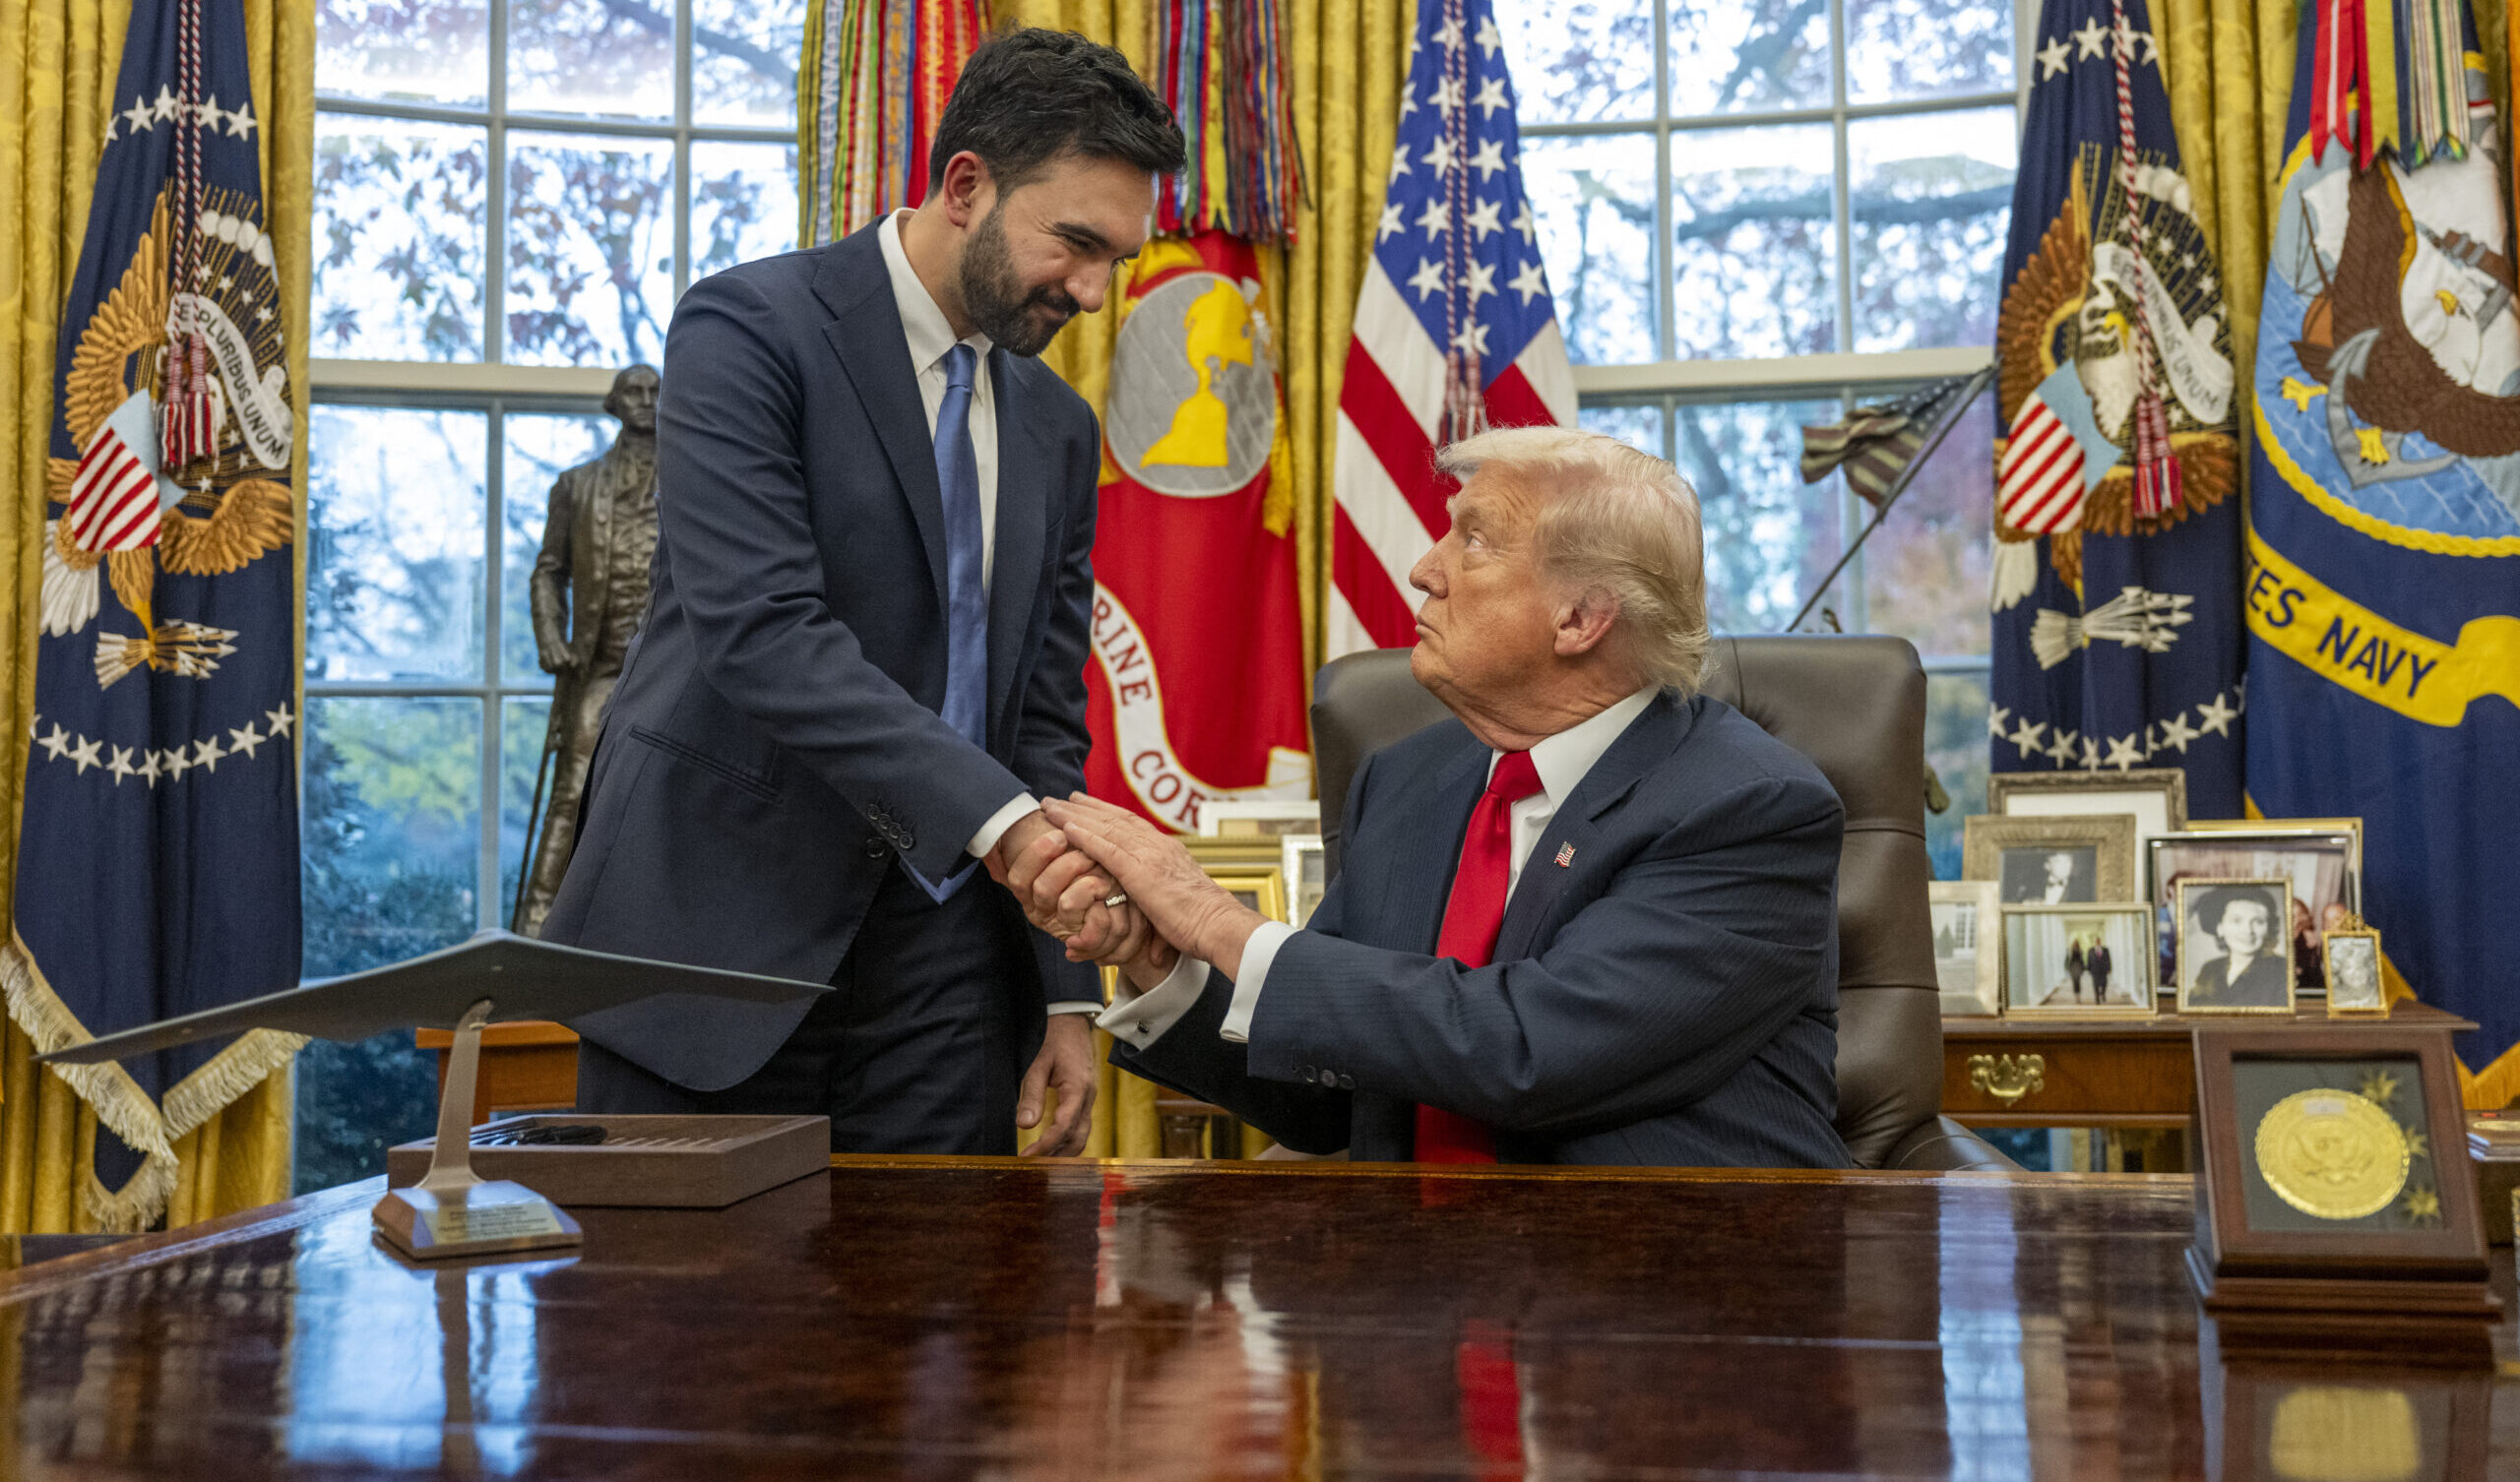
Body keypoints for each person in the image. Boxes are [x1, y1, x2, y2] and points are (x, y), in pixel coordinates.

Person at [540, 31, 1185, 1155]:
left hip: (949, 977)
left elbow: (1040, 710)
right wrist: (1008, 831)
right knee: (675, 1324)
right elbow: (763, 634)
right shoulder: (749, 331)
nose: (1090, 290)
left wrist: (1064, 995)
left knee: (936, 1314)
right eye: (1074, 242)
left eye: (1112, 260)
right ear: (966, 185)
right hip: (713, 942)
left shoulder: (1058, 428)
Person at [1014, 426, 1851, 1167]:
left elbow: (1532, 1052)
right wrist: (1166, 963)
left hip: (1673, 1301)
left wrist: (1221, 924)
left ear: (1580, 619)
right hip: (1421, 1298)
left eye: (1474, 541)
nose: (1423, 568)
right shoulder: (1409, 779)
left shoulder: (1749, 808)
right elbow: (1329, 1095)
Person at [2184, 887, 2291, 1008]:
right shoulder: (2210, 969)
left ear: (2269, 928)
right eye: (2236, 921)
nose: (2248, 930)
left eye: (2258, 922)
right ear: (2220, 928)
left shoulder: (2282, 970)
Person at [2087, 937, 2113, 1004]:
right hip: (2094, 970)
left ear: (2100, 942)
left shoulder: (2105, 950)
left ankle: (2103, 993)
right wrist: (2089, 969)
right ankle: (2097, 998)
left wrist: (2109, 968)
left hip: (2103, 969)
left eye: (2099, 941)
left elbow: (2108, 960)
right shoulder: (2091, 950)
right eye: (2096, 941)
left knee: (2104, 983)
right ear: (2095, 942)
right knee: (2095, 984)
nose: (2098, 942)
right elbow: (2089, 961)